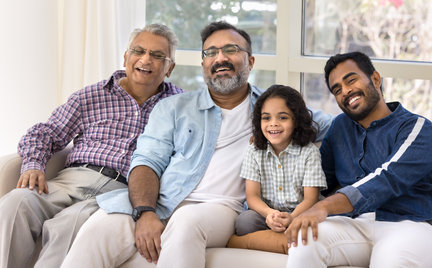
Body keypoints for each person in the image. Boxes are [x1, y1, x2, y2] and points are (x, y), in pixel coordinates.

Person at [60, 21, 334, 268]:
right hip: (162, 202)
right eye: (210, 52)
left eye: (231, 49)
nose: (220, 58)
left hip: (221, 208)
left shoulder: (274, 109)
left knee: (186, 223)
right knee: (98, 228)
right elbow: (146, 162)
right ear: (203, 64)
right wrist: (145, 212)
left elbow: (336, 124)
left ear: (250, 61)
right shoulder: (174, 107)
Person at [0, 23, 183, 268]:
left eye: (157, 55)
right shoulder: (91, 96)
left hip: (122, 191)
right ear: (125, 57)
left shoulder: (180, 106)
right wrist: (34, 165)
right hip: (72, 179)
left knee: (70, 223)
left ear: (169, 68)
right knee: (16, 202)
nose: (145, 59)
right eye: (138, 51)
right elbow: (45, 133)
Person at [285, 51, 432, 267]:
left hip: (414, 225)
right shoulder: (339, 128)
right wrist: (272, 144)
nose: (345, 91)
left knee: (391, 260)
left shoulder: (417, 128)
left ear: (376, 79)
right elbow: (317, 181)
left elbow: (387, 179)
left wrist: (323, 207)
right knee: (305, 242)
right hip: (355, 224)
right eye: (337, 90)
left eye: (351, 80)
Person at [234, 84, 327, 236]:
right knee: (245, 222)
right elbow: (252, 196)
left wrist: (292, 217)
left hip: (301, 211)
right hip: (266, 213)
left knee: (315, 226)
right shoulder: (254, 151)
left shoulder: (310, 152)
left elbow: (311, 199)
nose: (273, 124)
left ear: (296, 120)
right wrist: (270, 214)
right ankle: (275, 235)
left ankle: (286, 235)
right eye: (266, 118)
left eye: (282, 117)